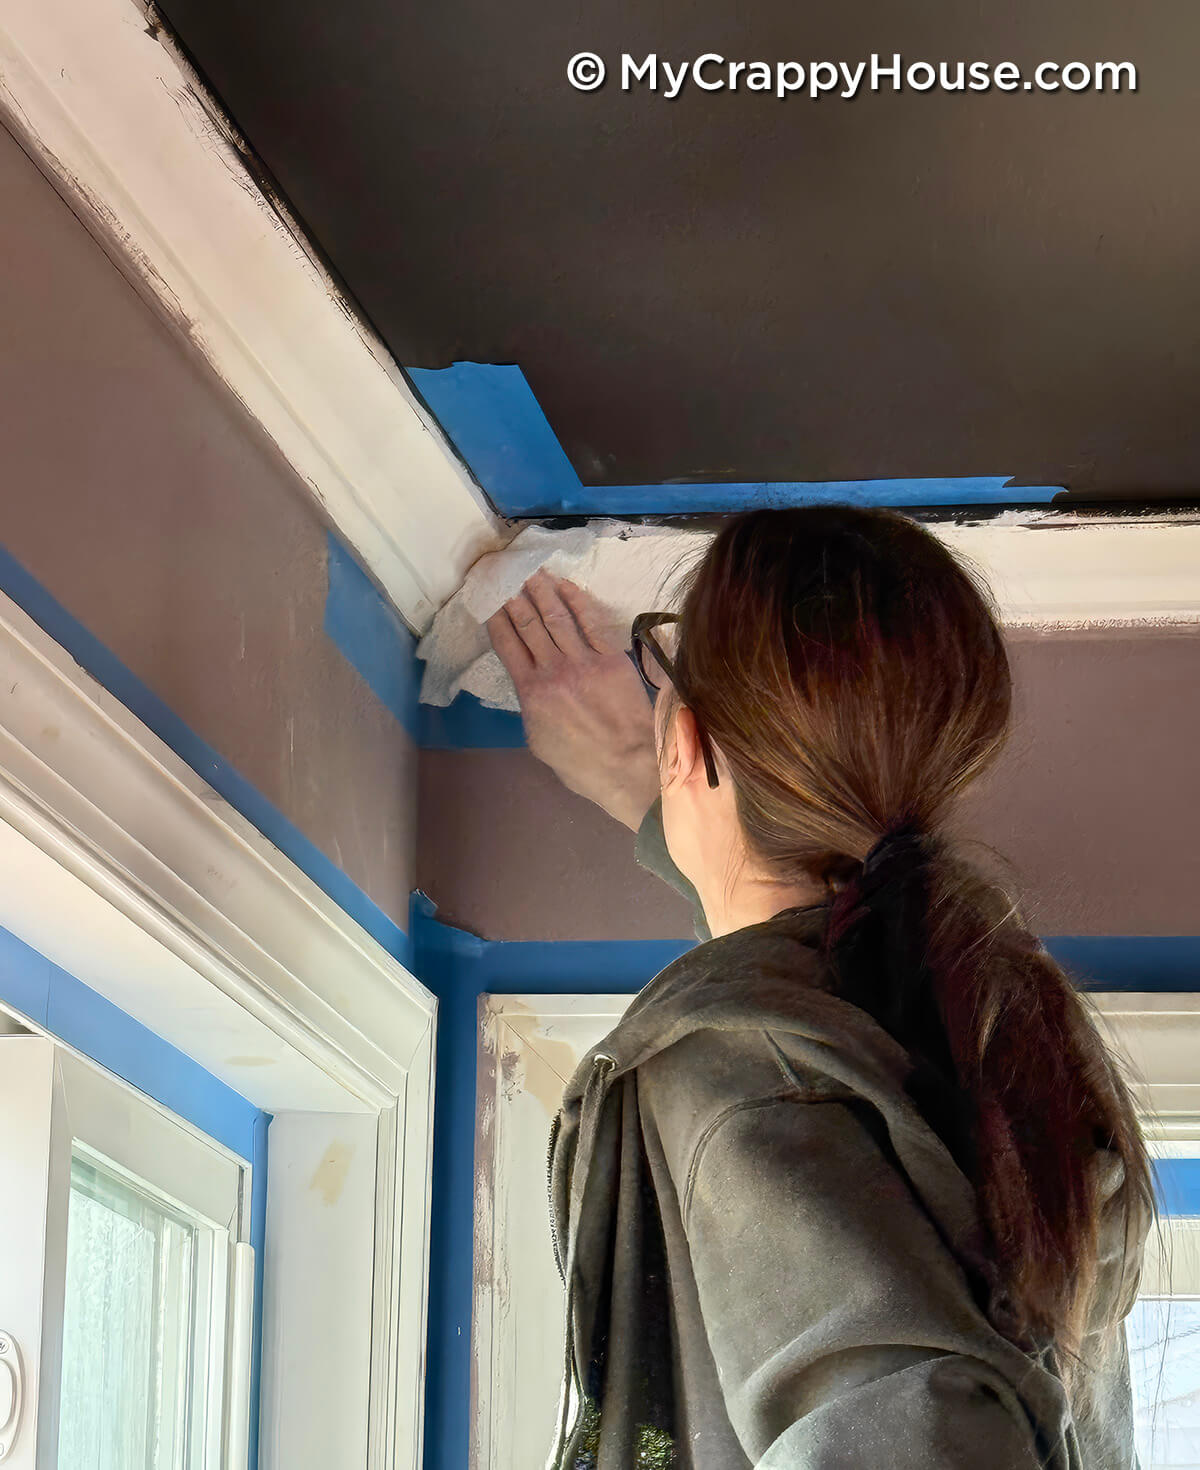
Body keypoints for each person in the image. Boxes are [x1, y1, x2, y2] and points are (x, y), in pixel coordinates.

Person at [486, 506, 1153, 1470]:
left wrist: (679, 785)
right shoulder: (978, 1023)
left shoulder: (747, 1084)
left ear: (687, 742)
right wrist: (665, 788)